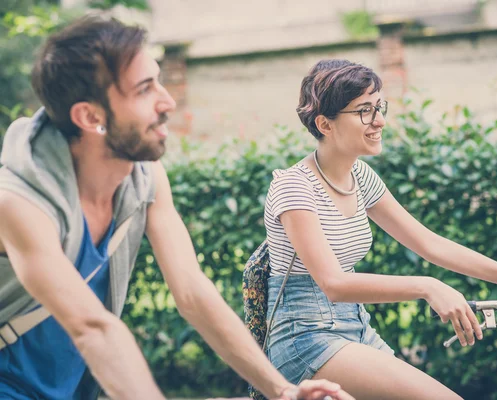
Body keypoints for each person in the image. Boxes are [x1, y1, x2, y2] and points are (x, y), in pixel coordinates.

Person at [0, 16, 354, 400]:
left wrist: (282, 391)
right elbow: (93, 328)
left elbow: (191, 292)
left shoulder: (144, 175)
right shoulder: (18, 203)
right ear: (90, 117)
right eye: (144, 89)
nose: (167, 102)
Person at [262, 59, 497, 400]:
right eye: (364, 111)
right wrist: (426, 286)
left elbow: (429, 244)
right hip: (304, 337)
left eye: (379, 107)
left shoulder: (361, 177)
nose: (379, 121)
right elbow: (334, 283)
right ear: (325, 123)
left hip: (354, 328)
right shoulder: (294, 187)